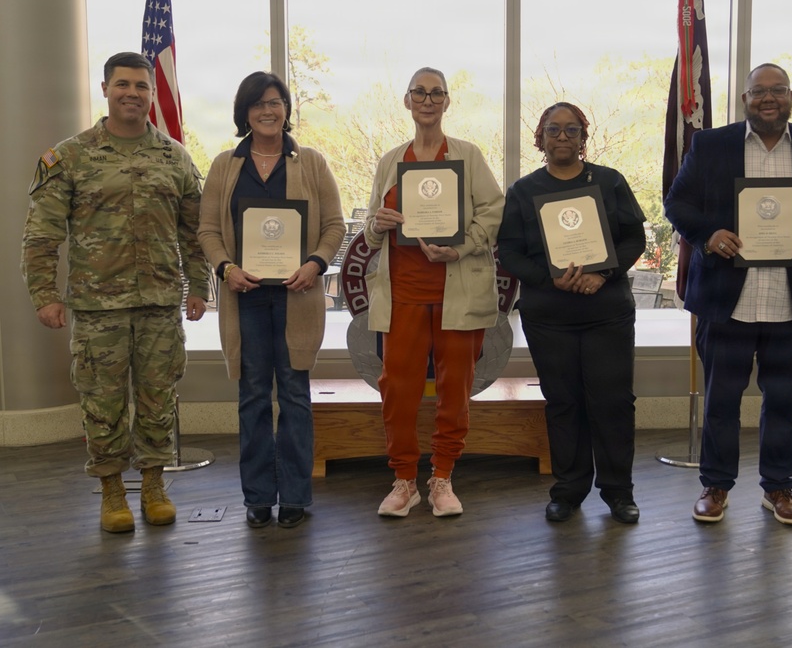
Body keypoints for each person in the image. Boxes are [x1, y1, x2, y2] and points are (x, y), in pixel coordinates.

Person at [21, 52, 209, 533]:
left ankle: (152, 485)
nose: (133, 93)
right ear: (105, 89)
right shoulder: (71, 156)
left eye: (142, 86)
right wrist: (45, 293)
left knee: (157, 398)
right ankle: (110, 491)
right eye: (123, 84)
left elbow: (193, 231)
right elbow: (41, 234)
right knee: (101, 402)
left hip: (161, 303)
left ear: (151, 92)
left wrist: (199, 286)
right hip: (97, 306)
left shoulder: (174, 157)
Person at [664, 63, 792, 525]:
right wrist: (708, 234)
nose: (768, 99)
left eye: (777, 91)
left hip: (791, 303)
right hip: (725, 301)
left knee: (784, 403)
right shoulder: (711, 145)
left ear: (791, 96)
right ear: (745, 99)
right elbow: (677, 203)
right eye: (758, 92)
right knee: (721, 403)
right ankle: (715, 486)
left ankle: (779, 488)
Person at [198, 72, 346, 529]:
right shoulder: (225, 166)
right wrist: (226, 268)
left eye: (276, 101)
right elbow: (206, 230)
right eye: (259, 103)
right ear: (245, 112)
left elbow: (335, 226)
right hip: (245, 300)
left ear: (286, 108)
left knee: (296, 397)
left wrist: (316, 265)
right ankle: (259, 498)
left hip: (296, 298)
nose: (268, 110)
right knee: (253, 398)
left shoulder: (313, 163)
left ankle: (297, 497)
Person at [364, 67, 504, 518]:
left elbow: (493, 210)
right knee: (396, 390)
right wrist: (377, 224)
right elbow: (369, 231)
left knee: (454, 389)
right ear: (406, 101)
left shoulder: (468, 156)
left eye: (436, 93)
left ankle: (442, 476)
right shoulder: (390, 161)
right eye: (419, 93)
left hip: (456, 292)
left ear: (447, 102)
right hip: (402, 294)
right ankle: (404, 479)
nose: (427, 100)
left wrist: (460, 248)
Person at [497, 102, 646, 524]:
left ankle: (619, 492)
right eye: (553, 130)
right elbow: (508, 251)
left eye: (571, 130)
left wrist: (603, 272)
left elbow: (634, 238)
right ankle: (568, 490)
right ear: (540, 137)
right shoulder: (524, 191)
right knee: (563, 403)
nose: (562, 137)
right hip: (550, 315)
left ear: (584, 137)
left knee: (613, 403)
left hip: (606, 311)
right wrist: (550, 277)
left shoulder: (611, 182)